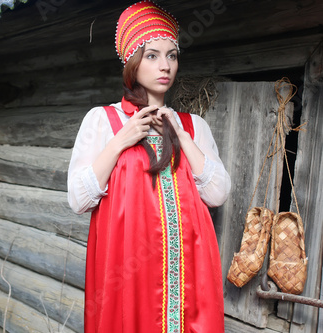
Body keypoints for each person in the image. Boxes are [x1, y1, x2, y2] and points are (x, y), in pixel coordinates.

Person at [67, 1, 231, 332]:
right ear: (133, 62)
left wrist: (183, 138)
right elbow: (78, 199)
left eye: (172, 55)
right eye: (153, 55)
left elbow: (218, 194)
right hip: (128, 275)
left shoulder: (193, 125)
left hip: (189, 273)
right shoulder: (104, 120)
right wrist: (120, 142)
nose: (165, 65)